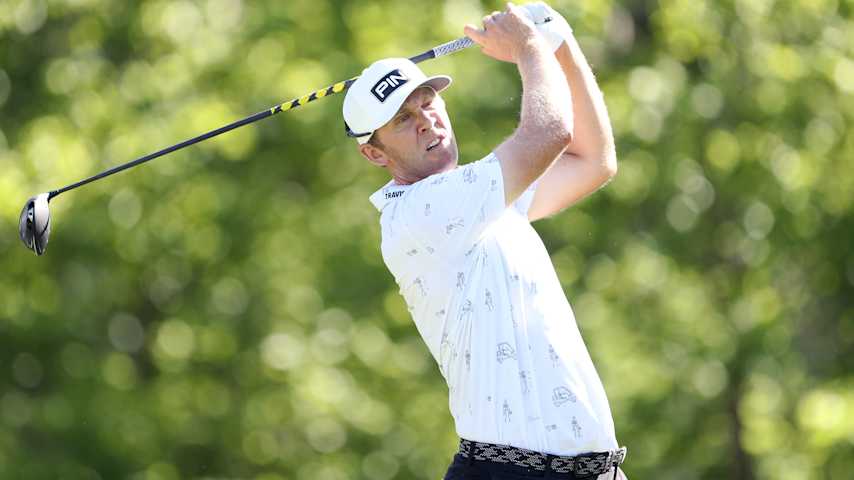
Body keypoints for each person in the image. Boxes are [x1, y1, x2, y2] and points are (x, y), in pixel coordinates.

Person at [342, 2, 626, 479]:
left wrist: (560, 42)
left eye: (427, 101)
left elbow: (593, 160)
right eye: (402, 120)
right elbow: (550, 132)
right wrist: (530, 48)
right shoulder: (421, 213)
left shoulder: (483, 203)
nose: (426, 120)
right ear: (374, 153)